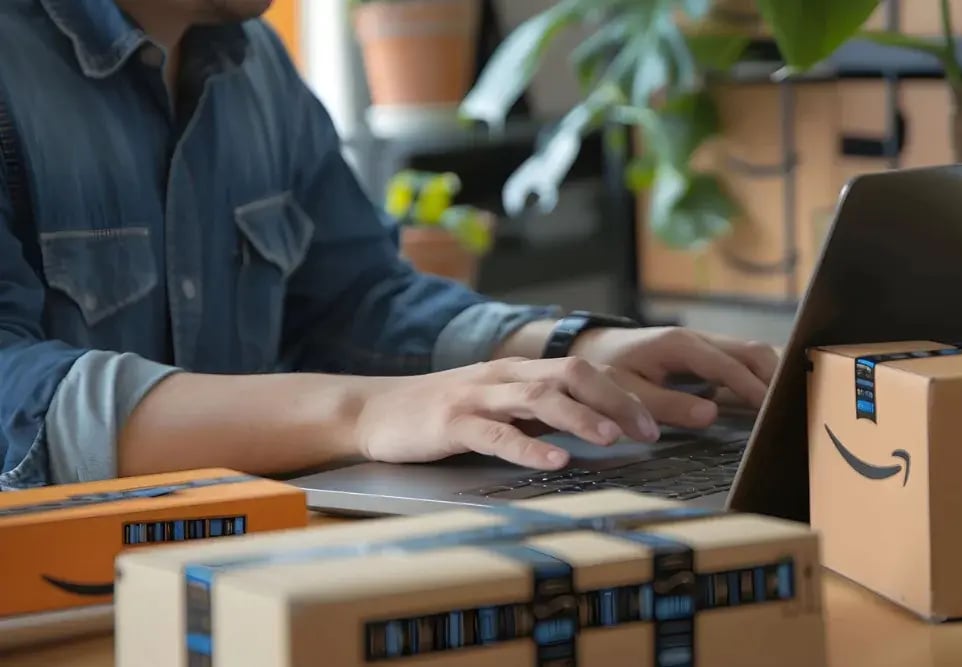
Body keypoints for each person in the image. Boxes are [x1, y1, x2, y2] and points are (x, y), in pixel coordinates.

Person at [0, 0, 779, 491]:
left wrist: (568, 350)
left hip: (249, 564)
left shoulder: (256, 63)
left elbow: (355, 299)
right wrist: (363, 411)